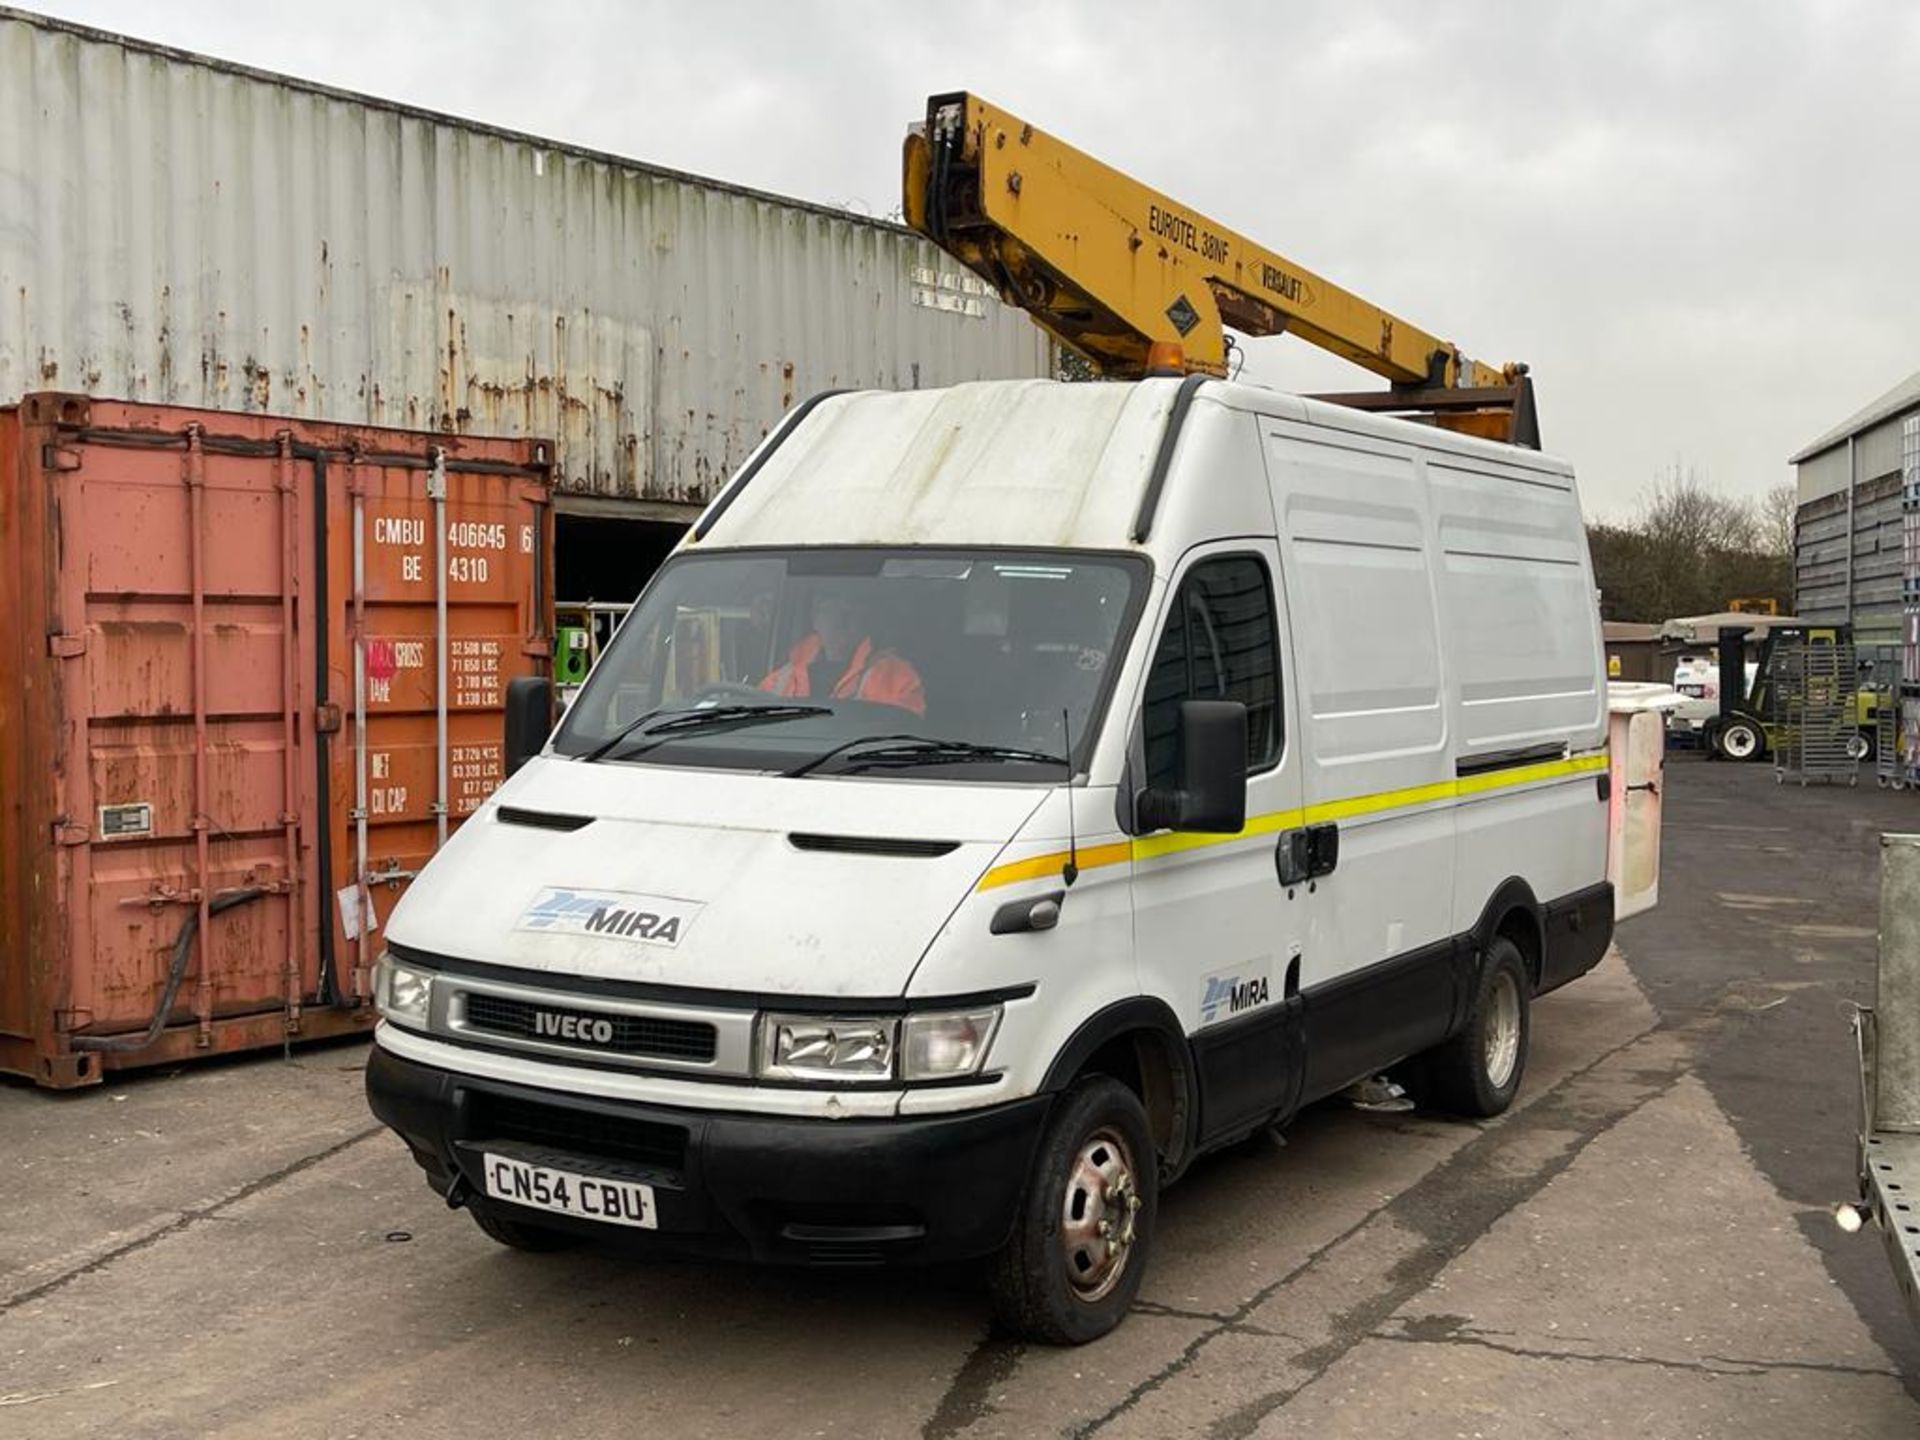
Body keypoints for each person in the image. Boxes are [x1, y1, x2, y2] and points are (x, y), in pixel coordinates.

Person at [760, 591, 925, 716]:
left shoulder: (895, 674)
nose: (841, 619)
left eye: (851, 611)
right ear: (815, 620)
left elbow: (905, 740)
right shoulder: (784, 677)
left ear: (866, 621)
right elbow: (756, 724)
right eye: (831, 609)